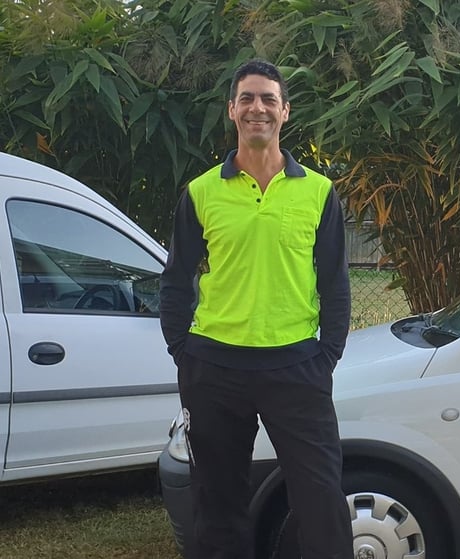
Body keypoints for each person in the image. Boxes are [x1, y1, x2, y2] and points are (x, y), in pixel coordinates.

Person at [159, 59, 354, 559]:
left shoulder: (317, 191)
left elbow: (335, 281)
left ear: (285, 112)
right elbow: (177, 279)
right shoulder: (202, 192)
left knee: (322, 502)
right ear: (232, 110)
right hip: (215, 369)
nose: (257, 108)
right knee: (219, 506)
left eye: (268, 99)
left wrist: (326, 354)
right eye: (247, 98)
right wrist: (185, 353)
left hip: (297, 368)